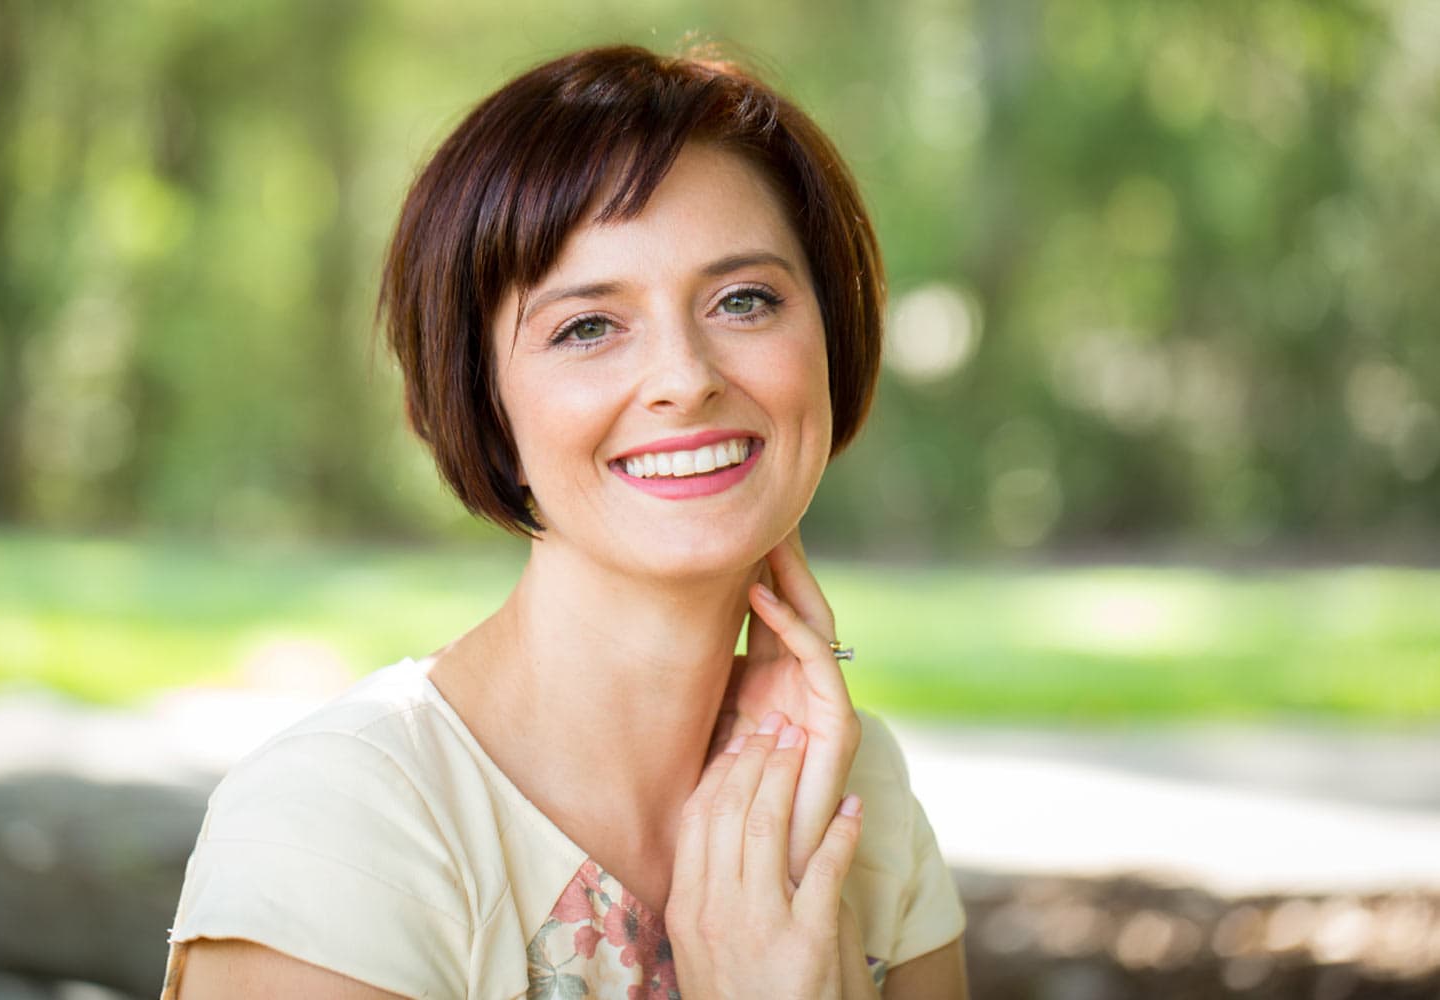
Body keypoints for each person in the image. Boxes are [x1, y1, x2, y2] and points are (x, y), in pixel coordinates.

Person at [161, 45, 967, 999]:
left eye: (743, 300)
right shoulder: (340, 828)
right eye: (588, 325)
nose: (686, 377)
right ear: (482, 401)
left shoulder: (855, 793)